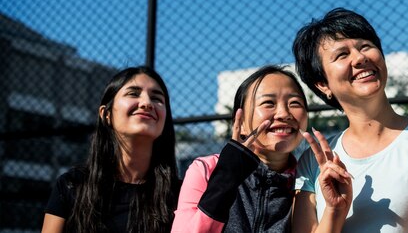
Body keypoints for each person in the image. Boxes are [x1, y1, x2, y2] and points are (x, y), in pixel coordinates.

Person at [292, 8, 408, 233]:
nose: (360, 58)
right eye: (342, 55)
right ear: (322, 84)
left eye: (365, 46)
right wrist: (334, 211)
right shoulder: (313, 162)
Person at [172, 65, 309, 232]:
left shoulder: (309, 180)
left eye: (294, 103)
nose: (283, 113)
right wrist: (227, 176)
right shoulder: (206, 170)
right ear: (241, 122)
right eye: (268, 103)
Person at [42, 66, 180, 233]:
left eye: (157, 98)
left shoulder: (182, 195)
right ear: (106, 114)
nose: (147, 103)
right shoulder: (72, 185)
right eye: (133, 94)